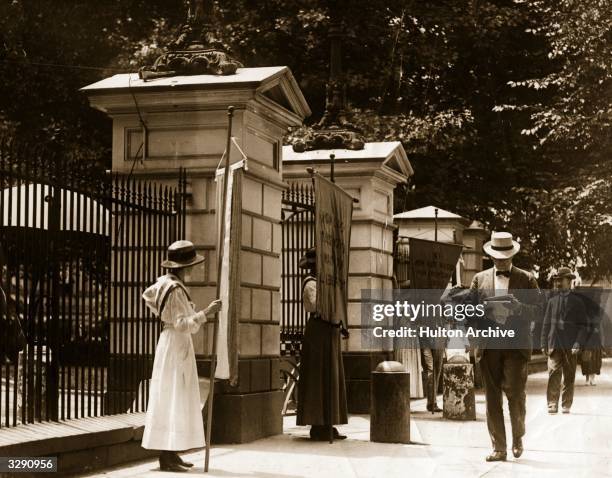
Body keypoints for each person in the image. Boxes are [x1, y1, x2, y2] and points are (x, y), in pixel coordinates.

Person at [141, 240, 222, 472]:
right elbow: (181, 324)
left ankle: (172, 452)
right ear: (184, 266)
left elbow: (148, 298)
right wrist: (206, 313)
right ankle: (166, 456)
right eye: (192, 265)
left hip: (172, 344)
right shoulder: (174, 289)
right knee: (173, 395)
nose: (194, 269)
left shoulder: (165, 284)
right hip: (175, 345)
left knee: (174, 396)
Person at [469, 232, 541, 462]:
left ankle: (517, 437)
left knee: (515, 394)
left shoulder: (527, 279)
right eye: (497, 257)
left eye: (505, 257)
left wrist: (519, 308)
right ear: (491, 257)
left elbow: (539, 311)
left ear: (512, 256)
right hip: (489, 344)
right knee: (492, 398)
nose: (501, 261)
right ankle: (498, 447)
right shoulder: (479, 279)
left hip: (515, 346)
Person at [296, 247, 348, 441]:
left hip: (330, 332)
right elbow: (318, 307)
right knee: (318, 378)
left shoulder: (326, 284)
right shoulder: (310, 284)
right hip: (318, 332)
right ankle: (317, 424)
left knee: (331, 377)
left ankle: (329, 422)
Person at [540, 267, 587, 414]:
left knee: (569, 374)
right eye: (556, 280)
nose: (558, 283)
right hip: (554, 343)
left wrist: (578, 343)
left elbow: (583, 326)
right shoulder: (552, 301)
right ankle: (552, 403)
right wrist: (543, 343)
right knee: (553, 372)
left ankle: (566, 404)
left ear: (569, 281)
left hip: (570, 345)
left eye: (561, 280)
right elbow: (546, 324)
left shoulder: (578, 302)